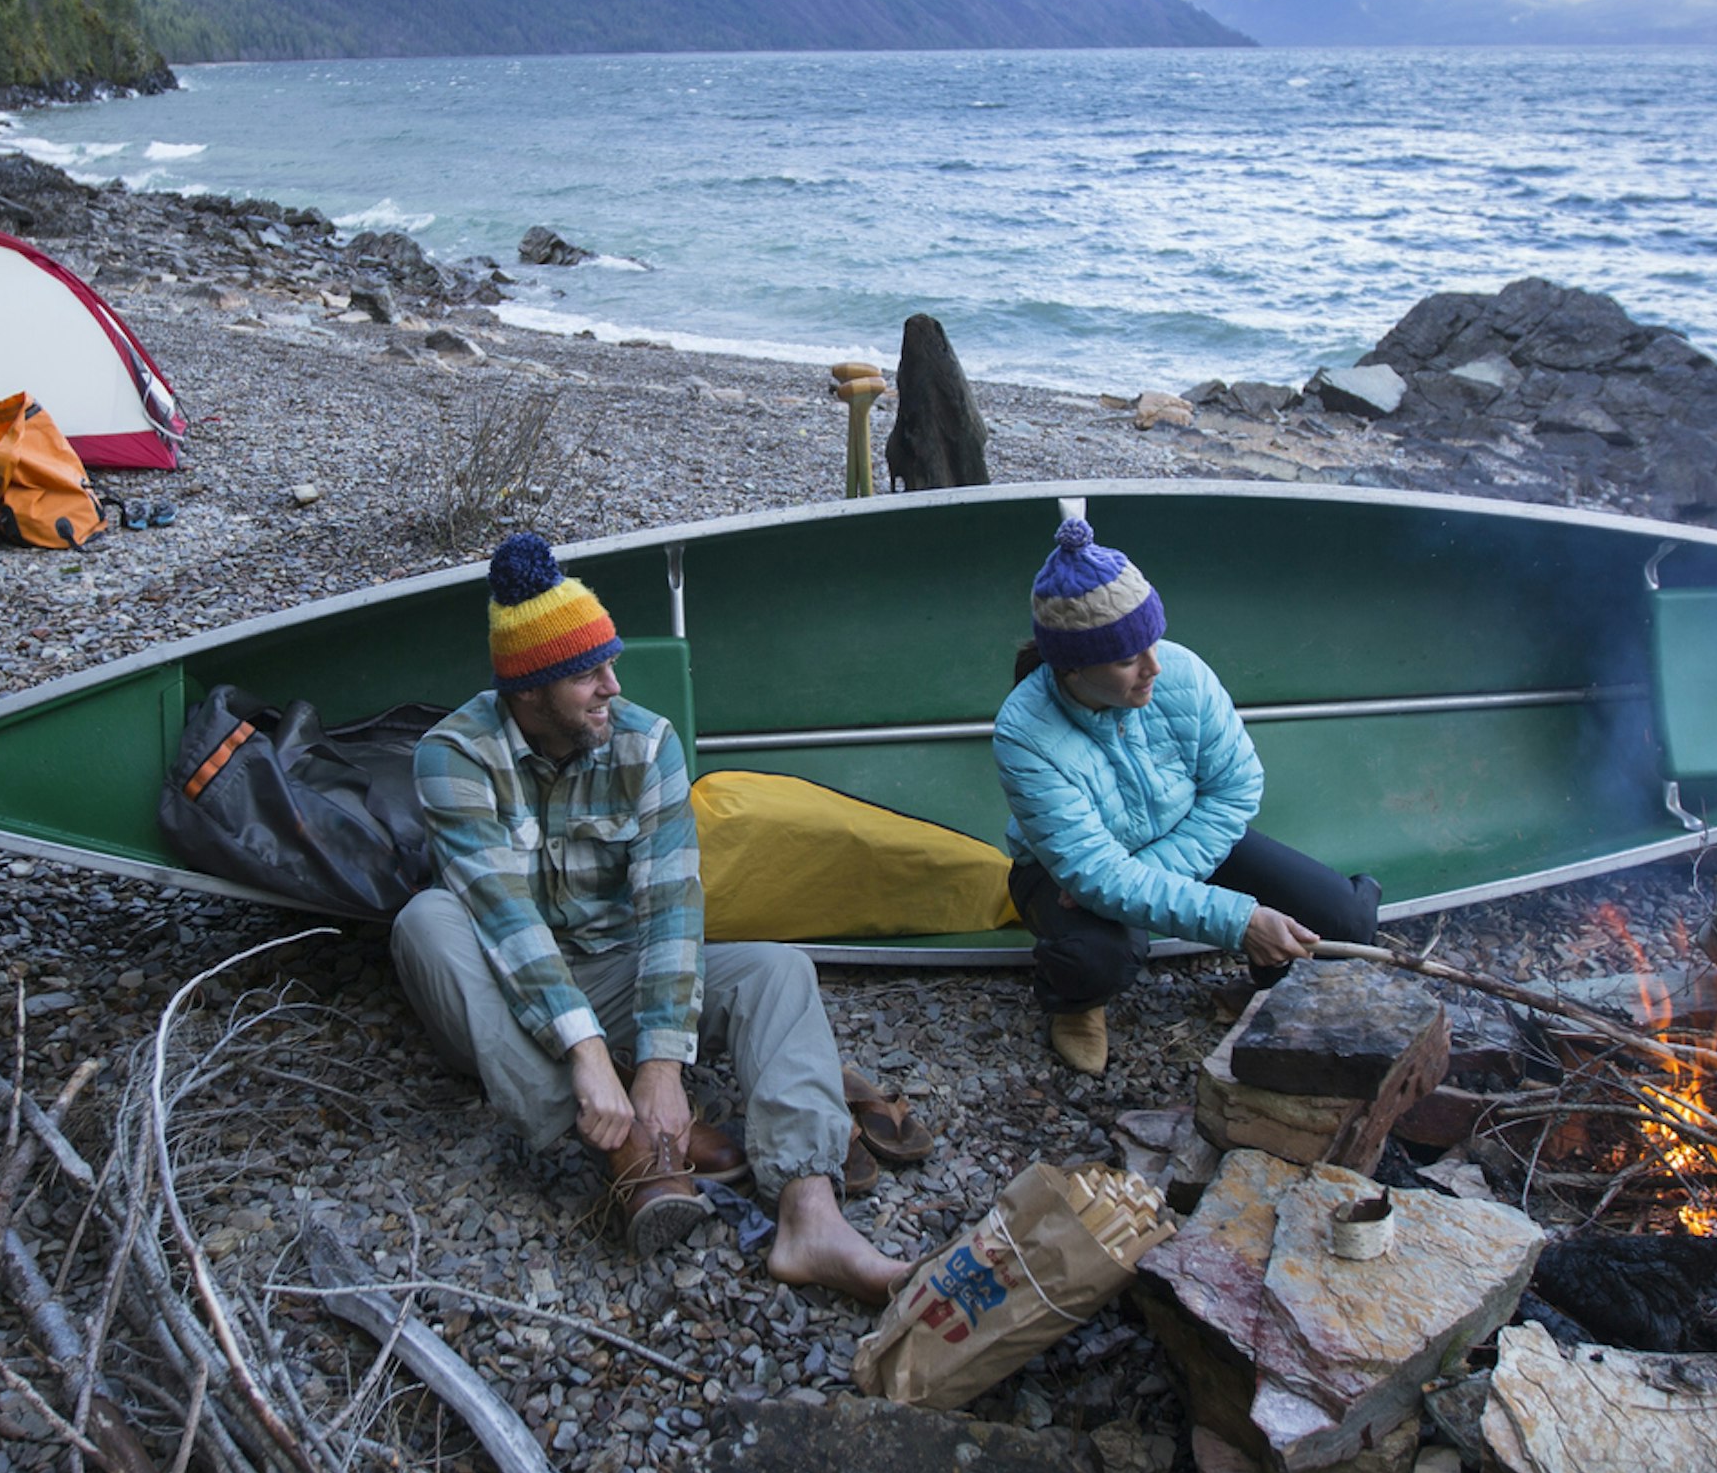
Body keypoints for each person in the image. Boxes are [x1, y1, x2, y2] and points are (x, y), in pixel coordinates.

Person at [395, 532, 911, 1301]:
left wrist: (664, 1065)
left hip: (618, 975)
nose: (612, 686)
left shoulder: (648, 742)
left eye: (612, 664)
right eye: (587, 675)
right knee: (426, 921)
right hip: (502, 992)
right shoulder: (453, 756)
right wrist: (590, 1060)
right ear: (529, 692)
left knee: (778, 971)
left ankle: (810, 1212)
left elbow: (672, 911)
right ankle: (627, 1145)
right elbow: (508, 926)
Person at [992, 515, 1382, 1074]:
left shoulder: (1181, 671)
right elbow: (1094, 875)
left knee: (1343, 919)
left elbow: (1235, 789)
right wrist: (1238, 920)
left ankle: (1272, 985)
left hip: (1185, 835)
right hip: (1058, 875)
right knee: (1102, 957)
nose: (1154, 665)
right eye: (1128, 658)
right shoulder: (1023, 733)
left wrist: (1157, 873)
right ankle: (1074, 1002)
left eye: (1150, 642)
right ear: (1072, 667)